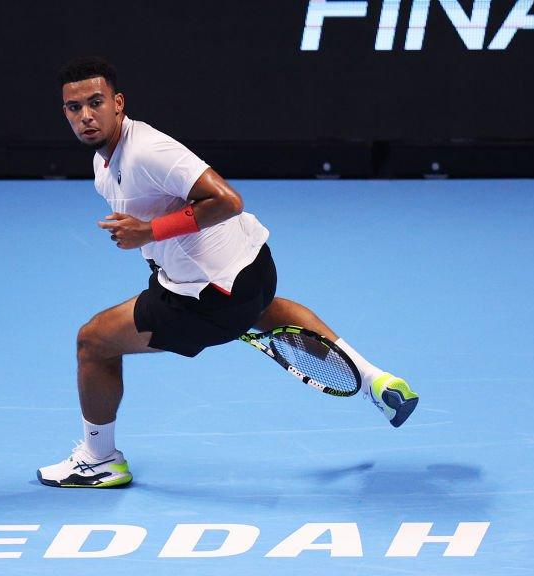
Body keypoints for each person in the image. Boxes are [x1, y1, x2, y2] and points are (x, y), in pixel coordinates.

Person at [38, 57, 419, 488]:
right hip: (255, 272)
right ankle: (374, 380)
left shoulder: (147, 151)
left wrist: (149, 230)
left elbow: (227, 200)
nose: (86, 116)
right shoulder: (105, 163)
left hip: (207, 300)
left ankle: (99, 458)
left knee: (93, 341)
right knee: (267, 310)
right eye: (74, 108)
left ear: (118, 103)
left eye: (96, 102)